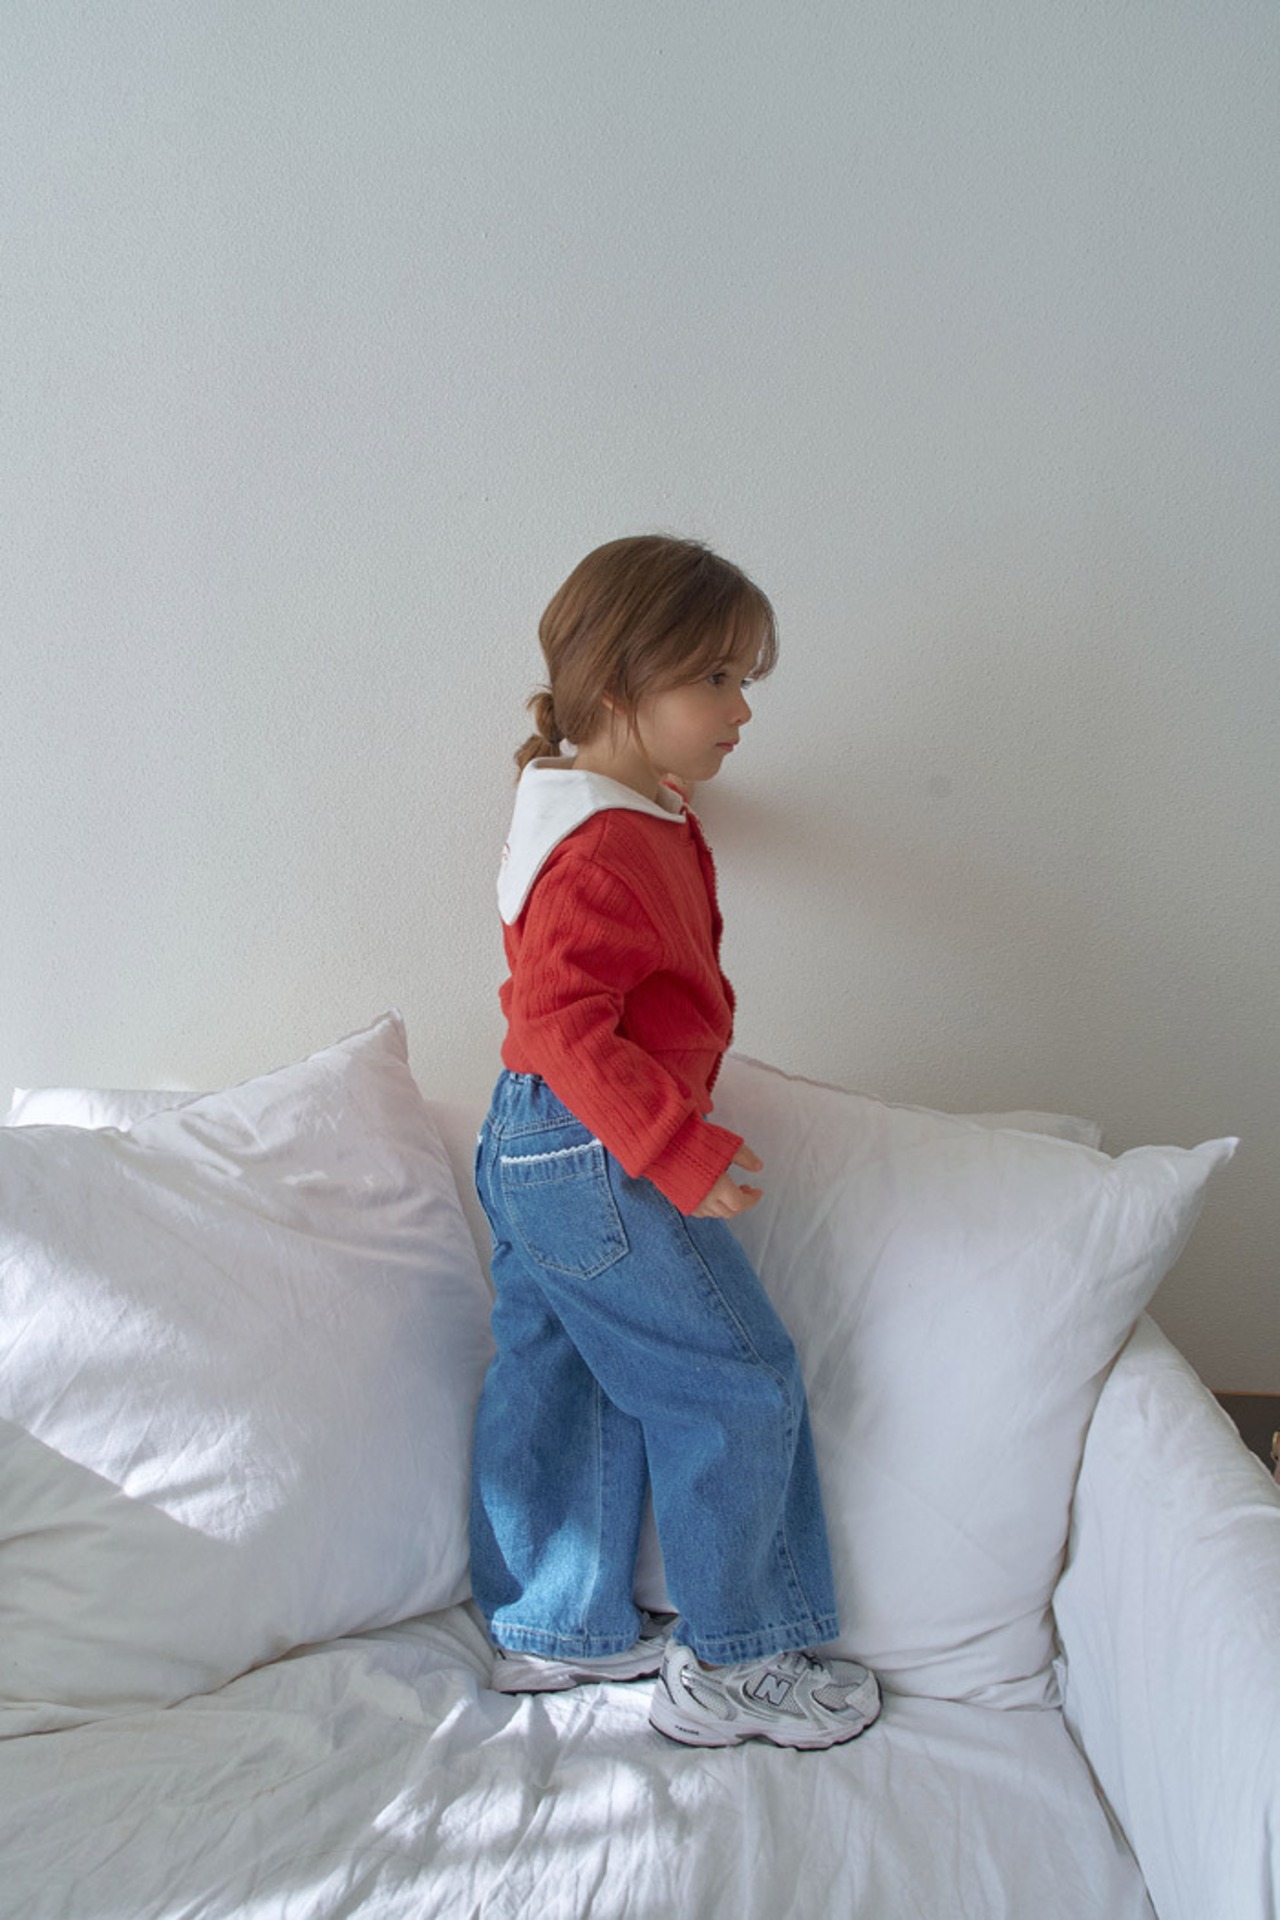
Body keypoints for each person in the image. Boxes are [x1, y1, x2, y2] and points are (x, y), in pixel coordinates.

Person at [469, 534, 880, 1749]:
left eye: (743, 679)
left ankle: (556, 1623)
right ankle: (738, 1660)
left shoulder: (607, 803)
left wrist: (666, 776)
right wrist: (672, 1148)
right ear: (617, 689)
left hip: (536, 1140)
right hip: (594, 1146)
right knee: (734, 1383)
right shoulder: (602, 842)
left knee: (561, 1371)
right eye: (714, 680)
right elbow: (558, 1018)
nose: (741, 710)